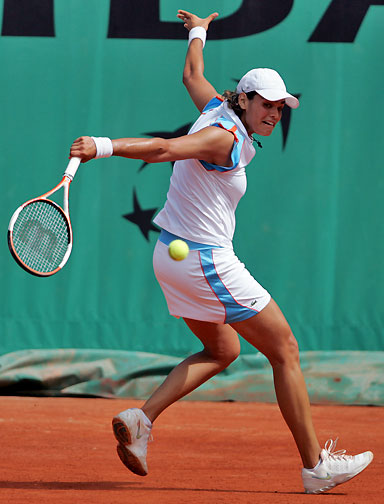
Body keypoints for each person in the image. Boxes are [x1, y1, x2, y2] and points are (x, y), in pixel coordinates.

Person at [70, 9, 373, 495]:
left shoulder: (217, 106)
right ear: (247, 99)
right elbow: (164, 150)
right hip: (207, 262)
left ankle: (141, 420)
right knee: (285, 350)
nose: (275, 113)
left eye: (281, 107)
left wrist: (198, 31)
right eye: (267, 104)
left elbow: (192, 72)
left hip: (172, 255)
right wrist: (104, 146)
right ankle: (316, 466)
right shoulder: (223, 137)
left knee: (223, 348)